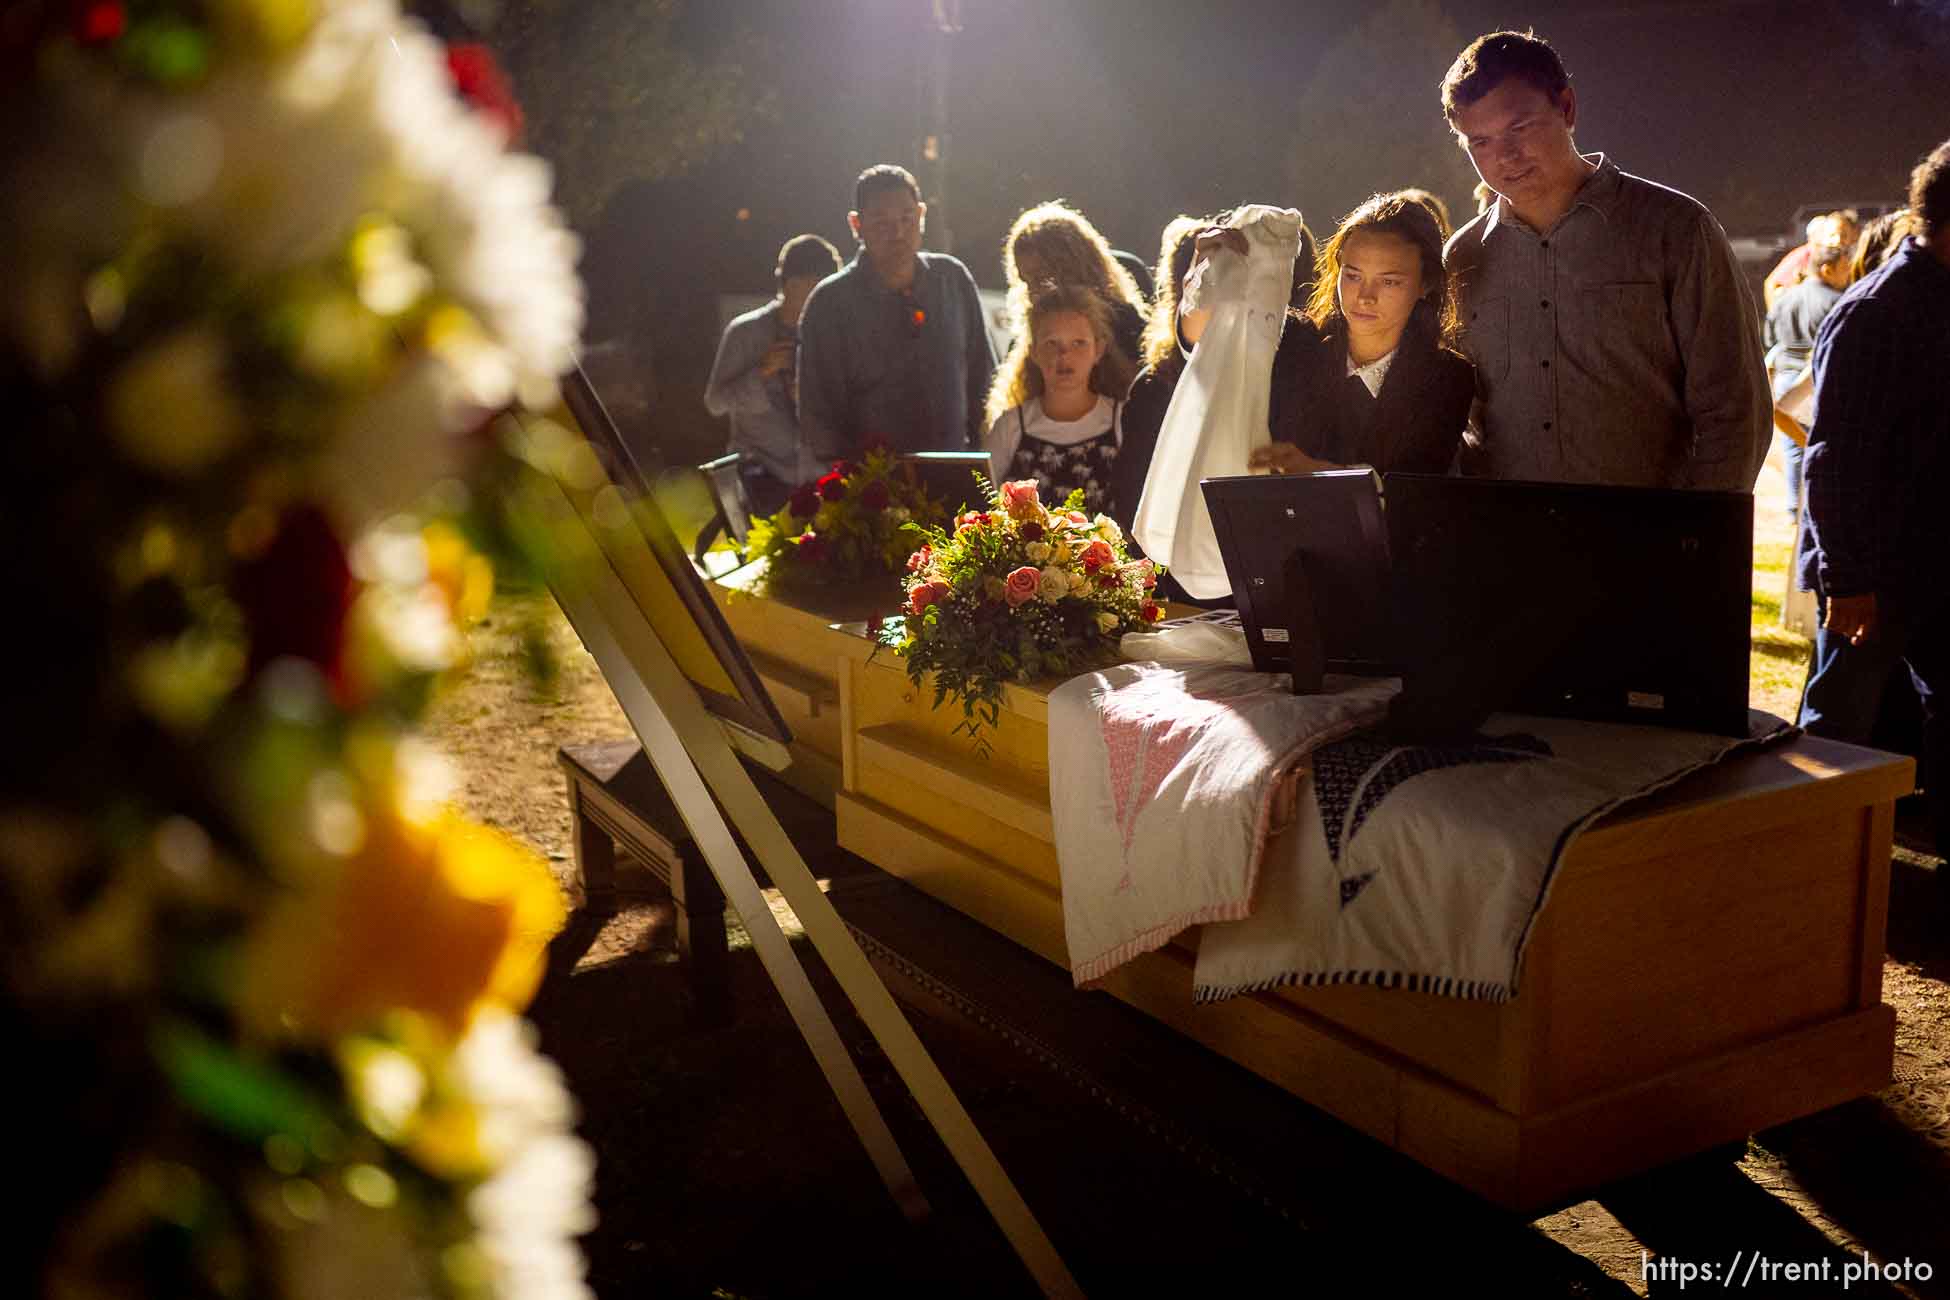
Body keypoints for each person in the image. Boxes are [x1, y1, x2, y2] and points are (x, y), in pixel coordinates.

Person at [1440, 30, 1771, 490]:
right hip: (1511, 545)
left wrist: (1695, 542)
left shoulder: (1675, 230)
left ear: (1567, 108)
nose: (1505, 156)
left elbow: (1734, 412)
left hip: (1646, 546)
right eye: (1481, 142)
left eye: (1519, 128)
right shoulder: (1461, 256)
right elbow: (1453, 419)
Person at [1797, 139, 1950, 859]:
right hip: (1877, 575)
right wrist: (1848, 579)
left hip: (1936, 561)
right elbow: (1832, 460)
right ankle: (1804, 864)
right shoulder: (1878, 310)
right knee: (1837, 731)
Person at [1247, 191, 1475, 477]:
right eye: (1353, 276)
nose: (1365, 297)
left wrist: (1315, 472)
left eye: (1389, 282)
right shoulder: (1294, 342)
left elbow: (1412, 489)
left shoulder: (1447, 377)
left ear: (1425, 284)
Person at [795, 164, 996, 467]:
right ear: (856, 224)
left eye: (907, 218)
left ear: (922, 214)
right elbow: (819, 416)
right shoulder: (830, 303)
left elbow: (984, 383)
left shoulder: (952, 280)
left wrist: (984, 464)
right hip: (870, 489)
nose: (898, 233)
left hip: (956, 474)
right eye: (881, 222)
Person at [702, 234, 840, 512]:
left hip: (821, 481)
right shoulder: (745, 333)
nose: (823, 299)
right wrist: (762, 373)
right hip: (761, 481)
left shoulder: (831, 335)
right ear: (791, 284)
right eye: (817, 289)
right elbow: (715, 403)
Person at [982, 283, 1135, 516]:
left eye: (1078, 343)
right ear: (1034, 352)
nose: (1064, 355)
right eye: (1052, 343)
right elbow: (983, 506)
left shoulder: (1122, 421)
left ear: (1099, 350)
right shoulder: (1010, 426)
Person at [1764, 213, 1853, 518]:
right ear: (1827, 269)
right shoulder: (1839, 302)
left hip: (1786, 374)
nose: (1848, 275)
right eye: (1844, 269)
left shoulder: (1786, 299)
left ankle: (1793, 506)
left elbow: (1770, 335)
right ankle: (1815, 507)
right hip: (1813, 378)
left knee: (1793, 450)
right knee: (1823, 444)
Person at [1001, 200, 1148, 366]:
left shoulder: (1124, 326)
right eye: (1026, 281)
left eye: (1042, 278)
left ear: (1073, 269)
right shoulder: (1027, 344)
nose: (1033, 292)